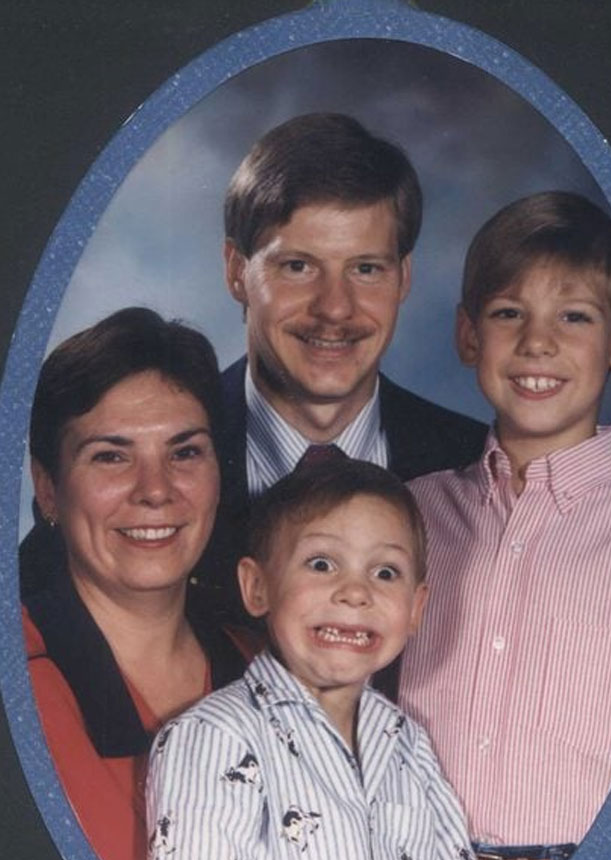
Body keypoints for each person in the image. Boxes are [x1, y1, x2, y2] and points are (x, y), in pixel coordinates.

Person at [398, 192, 611, 860]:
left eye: (575, 317)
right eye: (508, 313)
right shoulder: (411, 516)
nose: (537, 343)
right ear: (467, 333)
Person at [147, 457, 488, 860]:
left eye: (386, 573)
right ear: (256, 587)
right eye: (322, 564)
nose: (356, 593)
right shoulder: (212, 735)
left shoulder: (410, 744)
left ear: (417, 608)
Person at [196, 112, 488, 612]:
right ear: (237, 271)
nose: (335, 307)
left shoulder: (475, 465)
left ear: (403, 278)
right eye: (298, 266)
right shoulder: (165, 461)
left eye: (366, 268)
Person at [22, 308, 256, 860]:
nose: (156, 490)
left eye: (185, 452)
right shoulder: (18, 675)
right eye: (111, 456)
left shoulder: (266, 669)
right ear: (48, 488)